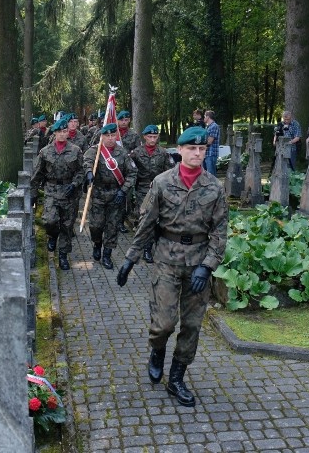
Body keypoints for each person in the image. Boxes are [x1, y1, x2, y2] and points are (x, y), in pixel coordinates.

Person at [116, 126, 228, 408]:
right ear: (179, 150)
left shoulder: (214, 187)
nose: (197, 153)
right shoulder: (162, 183)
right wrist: (130, 259)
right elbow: (147, 224)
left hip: (198, 263)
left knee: (191, 325)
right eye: (192, 148)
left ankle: (177, 377)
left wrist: (208, 266)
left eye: (202, 149)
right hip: (166, 258)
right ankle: (157, 350)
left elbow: (220, 232)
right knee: (164, 323)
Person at [31, 116, 84, 270]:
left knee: (67, 226)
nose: (62, 134)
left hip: (69, 193)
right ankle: (53, 235)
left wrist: (74, 184)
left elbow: (81, 172)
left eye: (65, 131)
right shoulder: (45, 152)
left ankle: (62, 256)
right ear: (54, 133)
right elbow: (37, 174)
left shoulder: (76, 150)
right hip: (52, 191)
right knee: (50, 221)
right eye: (59, 132)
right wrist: (33, 192)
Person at [83, 123, 137, 269]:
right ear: (102, 136)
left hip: (116, 194)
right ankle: (97, 243)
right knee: (95, 225)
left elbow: (132, 173)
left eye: (113, 135)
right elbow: (87, 162)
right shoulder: (95, 151)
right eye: (107, 135)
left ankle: (107, 255)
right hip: (98, 193)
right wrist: (89, 173)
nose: (111, 138)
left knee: (112, 227)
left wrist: (123, 190)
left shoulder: (122, 153)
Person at [129, 125, 175, 262]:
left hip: (160, 190)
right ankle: (147, 249)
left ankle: (158, 246)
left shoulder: (163, 153)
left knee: (159, 219)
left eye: (155, 137)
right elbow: (130, 170)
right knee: (146, 219)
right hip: (143, 189)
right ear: (144, 137)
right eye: (150, 137)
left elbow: (171, 172)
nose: (153, 139)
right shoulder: (136, 153)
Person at [203, 110, 220, 176]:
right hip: (207, 153)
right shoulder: (208, 127)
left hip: (211, 153)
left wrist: (201, 145)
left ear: (208, 117)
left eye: (204, 116)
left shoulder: (214, 126)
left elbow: (210, 141)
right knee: (206, 174)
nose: (204, 118)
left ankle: (214, 186)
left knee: (211, 174)